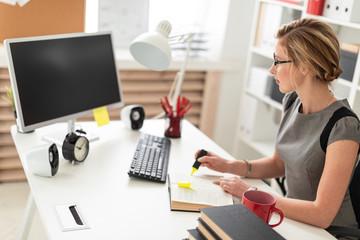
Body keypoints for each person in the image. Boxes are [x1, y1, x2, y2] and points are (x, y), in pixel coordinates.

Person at [197, 18, 360, 232]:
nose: (271, 70)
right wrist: (229, 166)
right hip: (293, 219)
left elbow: (322, 215)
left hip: (330, 233)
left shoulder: (343, 125)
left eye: (278, 61)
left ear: (305, 66)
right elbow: (278, 164)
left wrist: (250, 191)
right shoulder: (292, 102)